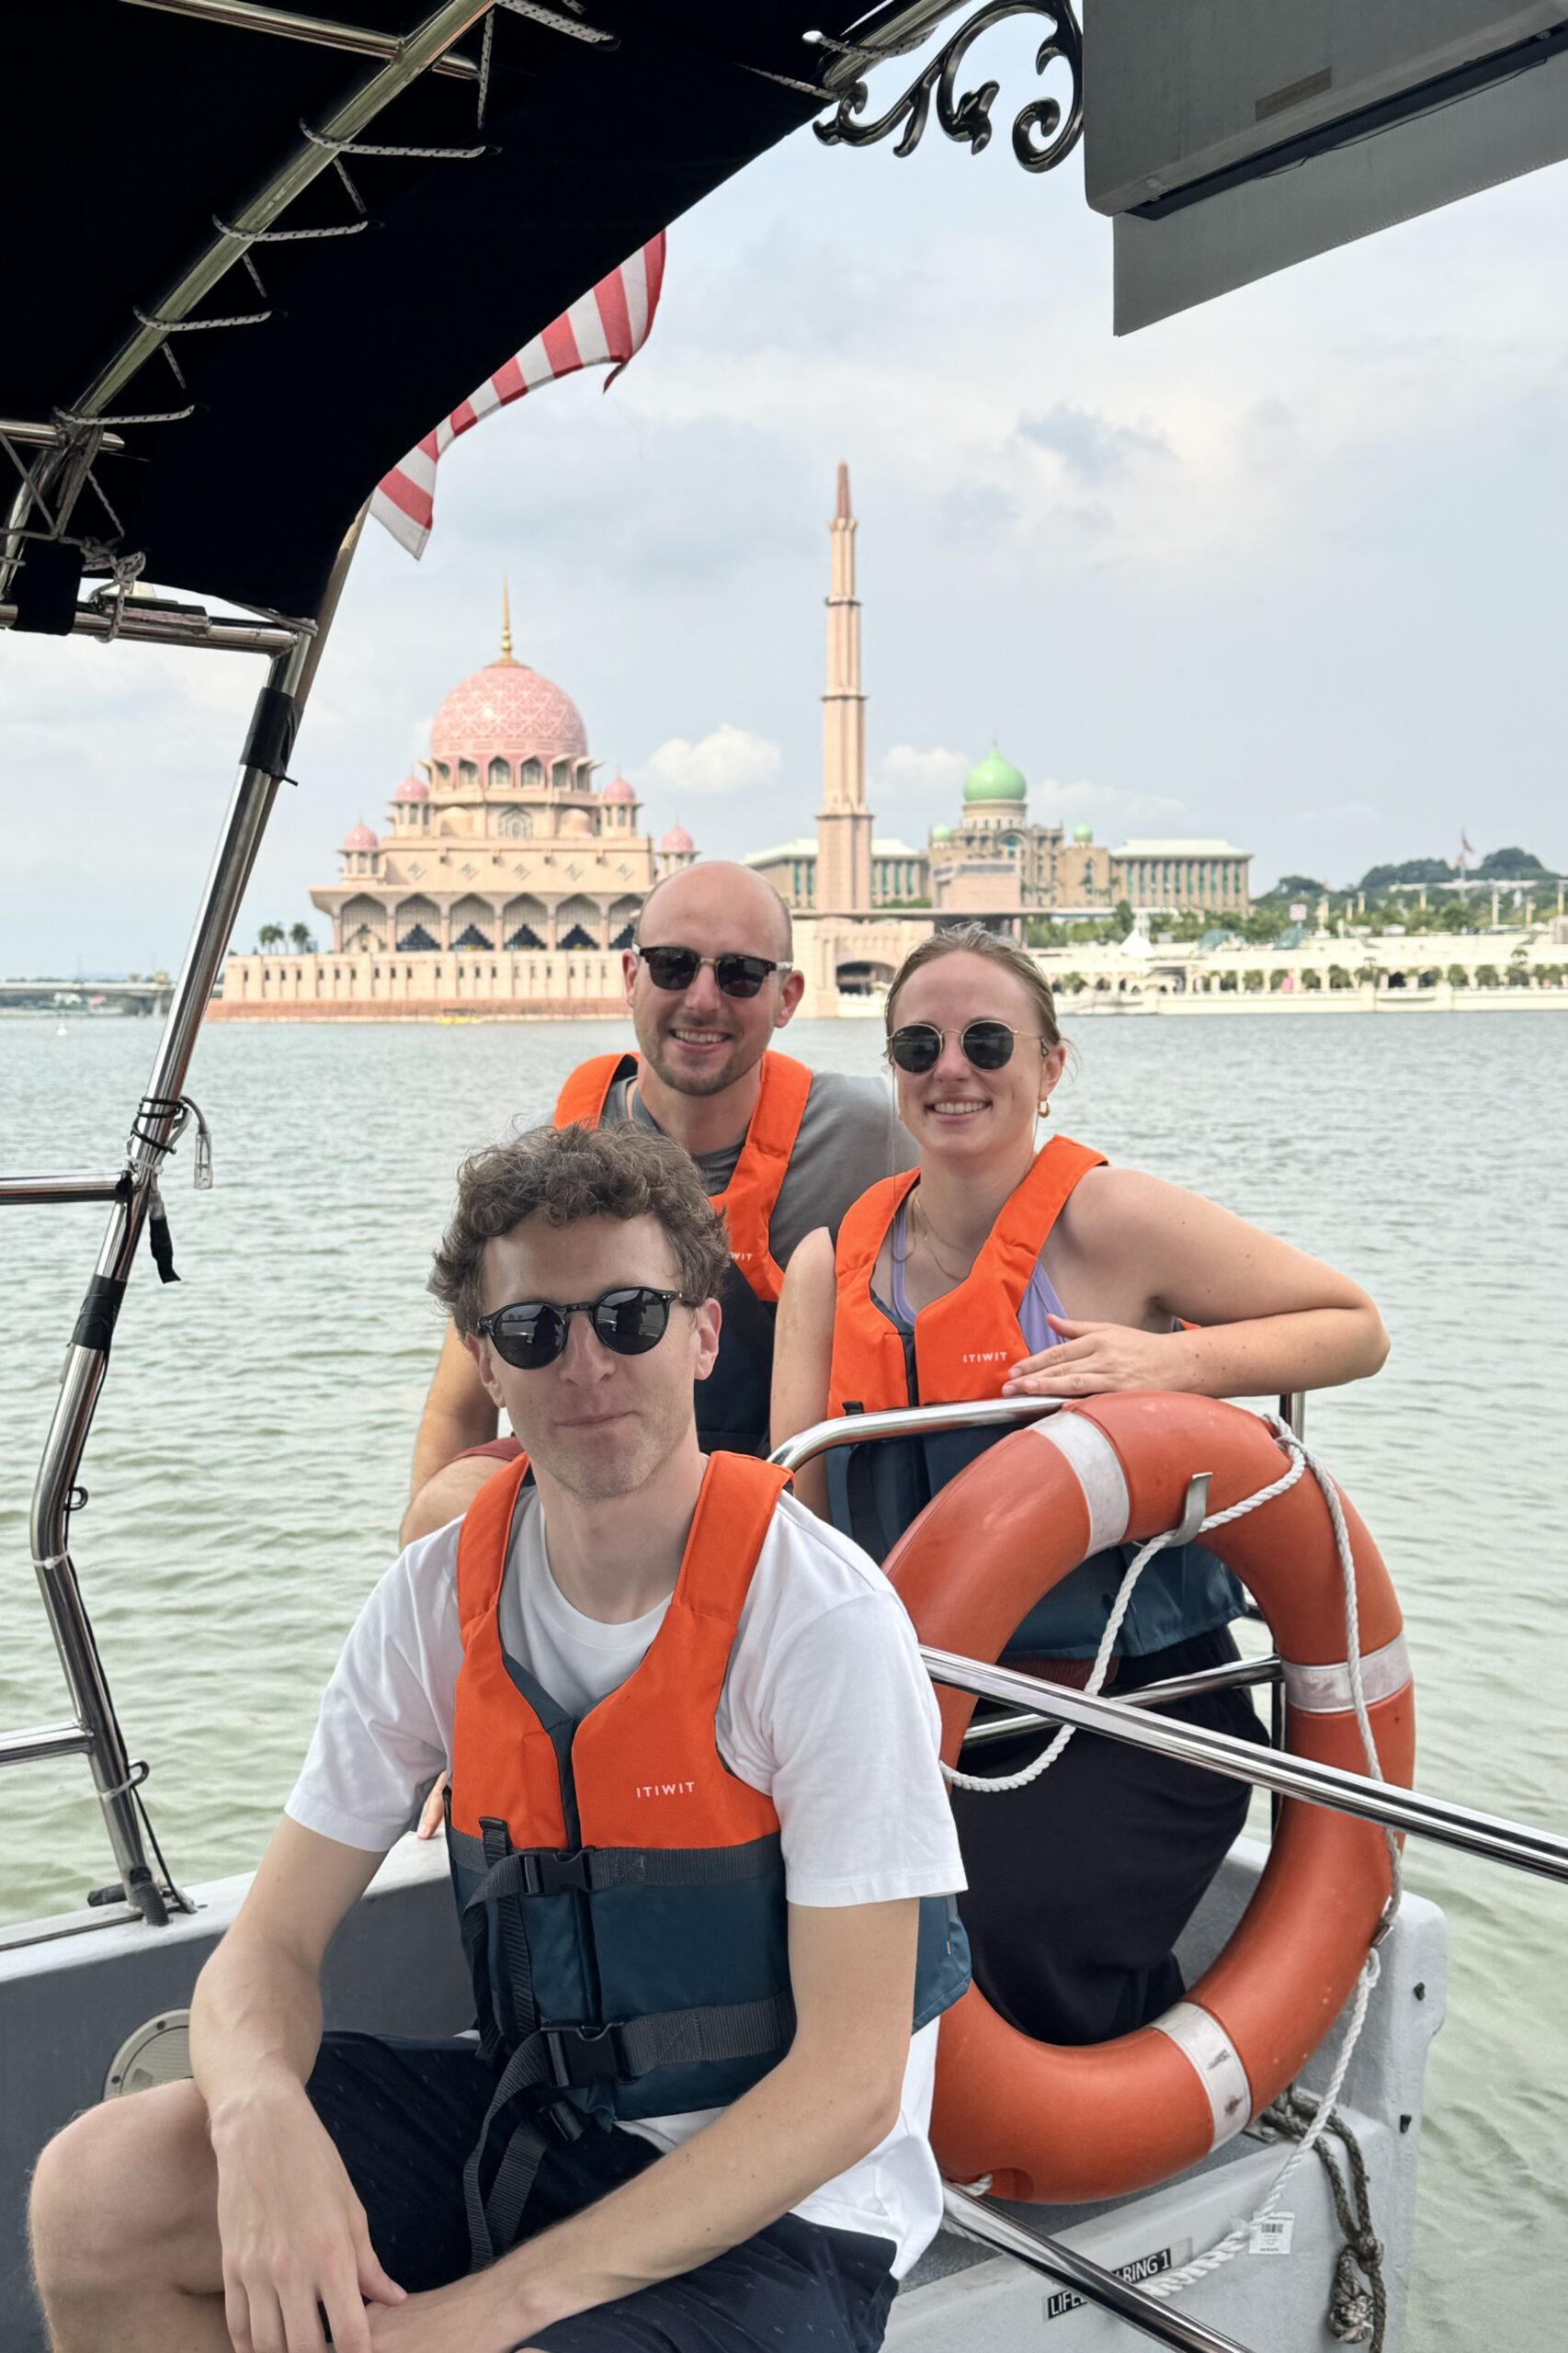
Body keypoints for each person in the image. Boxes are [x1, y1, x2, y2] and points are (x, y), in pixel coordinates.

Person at [29, 1122, 968, 2353]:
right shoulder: (435, 1602)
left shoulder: (818, 1620)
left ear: (701, 1333)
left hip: (787, 2218)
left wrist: (487, 2310)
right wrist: (260, 2118)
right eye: (533, 1330)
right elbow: (267, 1949)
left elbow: (847, 2089)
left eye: (628, 1316)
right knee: (99, 2195)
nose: (585, 1364)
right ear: (486, 1360)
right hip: (540, 2130)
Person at [771, 922, 1389, 2050]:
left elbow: (1352, 1327)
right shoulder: (828, 1264)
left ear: (1049, 1065)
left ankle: (1106, 2112)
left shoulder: (1111, 1220)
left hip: (1136, 1712)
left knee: (986, 1921)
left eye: (986, 1042)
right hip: (923, 1710)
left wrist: (1172, 1365)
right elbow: (795, 1518)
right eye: (917, 1046)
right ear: (891, 1068)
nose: (950, 1070)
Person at [402, 859, 913, 1545]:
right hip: (598, 1504)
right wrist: (419, 1563)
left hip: (783, 1508)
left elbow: (1011, 1223)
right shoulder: (554, 1157)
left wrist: (1078, 1350)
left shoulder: (870, 1136)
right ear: (631, 977)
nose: (702, 1000)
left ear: (786, 997)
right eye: (673, 966)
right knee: (447, 1505)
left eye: (739, 975)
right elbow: (463, 1397)